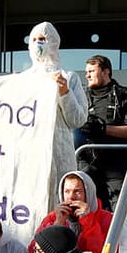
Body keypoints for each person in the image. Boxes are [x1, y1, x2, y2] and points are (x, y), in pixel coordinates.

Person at [19, 171, 111, 253]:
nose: (71, 197)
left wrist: (87, 220)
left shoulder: (106, 218)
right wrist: (58, 225)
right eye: (67, 192)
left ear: (88, 193)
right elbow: (35, 251)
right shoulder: (54, 216)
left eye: (77, 192)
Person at [22, 23, 89, 194]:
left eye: (43, 39)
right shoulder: (23, 80)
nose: (38, 44)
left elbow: (78, 119)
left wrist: (65, 92)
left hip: (60, 155)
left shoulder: (68, 77)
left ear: (53, 42)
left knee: (59, 201)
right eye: (35, 39)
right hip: (30, 154)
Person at [77, 55, 127, 206]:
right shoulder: (81, 98)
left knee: (119, 214)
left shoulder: (124, 96)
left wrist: (103, 129)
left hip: (117, 168)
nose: (87, 75)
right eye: (86, 71)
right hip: (88, 166)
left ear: (105, 72)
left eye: (91, 71)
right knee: (90, 214)